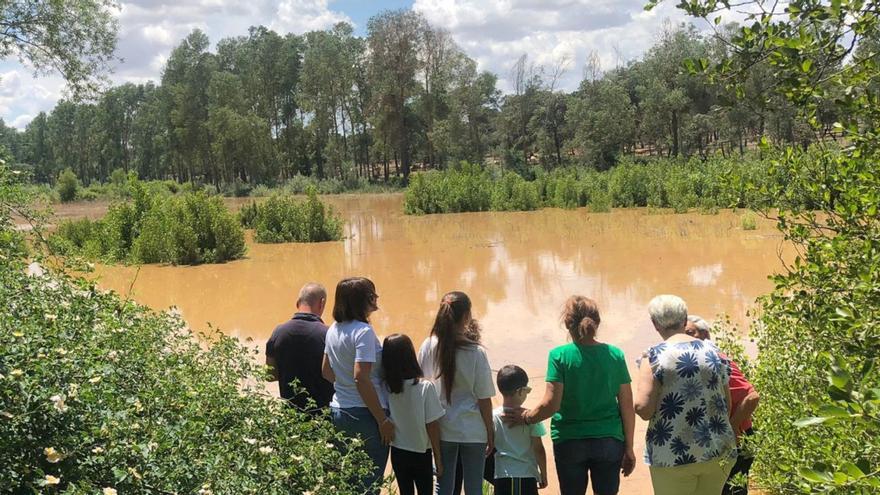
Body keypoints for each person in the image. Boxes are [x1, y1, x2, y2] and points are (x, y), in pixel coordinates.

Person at [506, 296, 636, 495]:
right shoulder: (615, 355)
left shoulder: (559, 356)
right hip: (609, 441)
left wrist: (527, 417)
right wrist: (629, 448)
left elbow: (552, 404)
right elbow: (627, 406)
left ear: (567, 324)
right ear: (597, 322)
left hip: (569, 441)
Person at [634, 295, 738, 495]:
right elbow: (727, 402)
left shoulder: (654, 356)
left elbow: (643, 409)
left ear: (655, 324)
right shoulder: (714, 351)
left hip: (672, 454)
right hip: (717, 449)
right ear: (684, 320)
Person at [418, 291, 496, 495]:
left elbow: (421, 386)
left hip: (440, 426)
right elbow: (484, 398)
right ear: (466, 317)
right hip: (472, 428)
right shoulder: (476, 352)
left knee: (443, 485)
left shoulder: (428, 345)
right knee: (474, 487)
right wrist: (490, 431)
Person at [322, 277, 391, 495]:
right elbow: (361, 377)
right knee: (369, 483)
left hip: (340, 411)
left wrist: (344, 386)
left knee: (350, 481)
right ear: (364, 300)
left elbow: (325, 371)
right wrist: (382, 420)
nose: (376, 298)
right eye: (373, 294)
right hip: (366, 415)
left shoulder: (333, 329)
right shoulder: (363, 332)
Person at [686, 316, 760, 495]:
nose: (685, 340)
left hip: (738, 437)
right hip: (718, 440)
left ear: (705, 335)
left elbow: (752, 397)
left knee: (732, 491)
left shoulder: (715, 360)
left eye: (689, 334)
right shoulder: (693, 363)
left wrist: (732, 427)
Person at [381, 333, 445, 495]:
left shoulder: (387, 388)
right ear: (411, 355)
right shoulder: (425, 388)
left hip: (397, 451)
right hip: (421, 453)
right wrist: (438, 457)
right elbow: (432, 425)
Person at [265, 283, 334, 412]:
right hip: (323, 415)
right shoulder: (328, 334)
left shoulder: (278, 332)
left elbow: (270, 375)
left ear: (297, 303)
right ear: (322, 303)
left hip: (291, 416)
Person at [492, 365, 548, 495]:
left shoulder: (493, 417)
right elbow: (538, 449)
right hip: (525, 475)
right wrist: (543, 474)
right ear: (520, 391)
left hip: (502, 474)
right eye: (527, 390)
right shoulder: (531, 418)